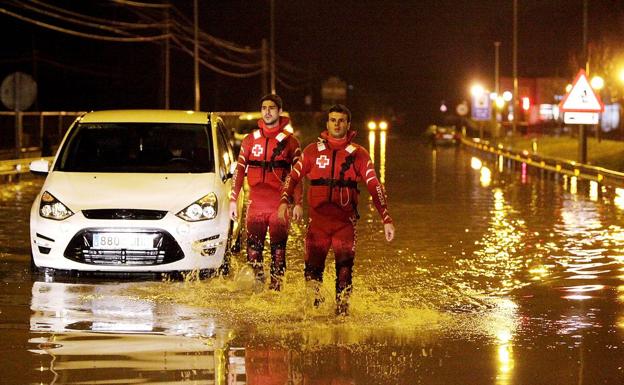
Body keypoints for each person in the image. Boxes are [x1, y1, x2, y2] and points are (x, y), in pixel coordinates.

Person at [278, 104, 395, 315]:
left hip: (344, 225)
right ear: (327, 123)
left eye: (341, 120)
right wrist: (285, 201)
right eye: (333, 120)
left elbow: (374, 185)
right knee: (312, 275)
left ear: (348, 124)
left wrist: (385, 217)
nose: (337, 124)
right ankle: (314, 318)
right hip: (318, 226)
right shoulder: (312, 151)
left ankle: (342, 319)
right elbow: (292, 177)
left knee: (344, 273)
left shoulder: (359, 154)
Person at [229, 94, 302, 291]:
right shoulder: (250, 140)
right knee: (253, 252)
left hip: (279, 206)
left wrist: (298, 203)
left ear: (279, 111)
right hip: (255, 205)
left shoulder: (290, 142)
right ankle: (258, 292)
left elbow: (297, 175)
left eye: (271, 108)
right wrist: (233, 200)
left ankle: (276, 294)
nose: (267, 111)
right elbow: (239, 171)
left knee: (278, 252)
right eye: (264, 108)